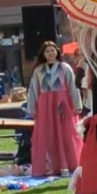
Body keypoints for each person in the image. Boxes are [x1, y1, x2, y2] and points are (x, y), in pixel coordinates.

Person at [26, 40, 83, 177]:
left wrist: (77, 105)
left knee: (67, 134)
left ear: (57, 52)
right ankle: (55, 165)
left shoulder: (64, 68)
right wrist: (32, 108)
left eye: (52, 50)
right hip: (45, 106)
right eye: (47, 51)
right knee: (49, 135)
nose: (50, 53)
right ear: (43, 54)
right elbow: (33, 90)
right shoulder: (39, 70)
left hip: (62, 104)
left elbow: (72, 87)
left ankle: (71, 164)